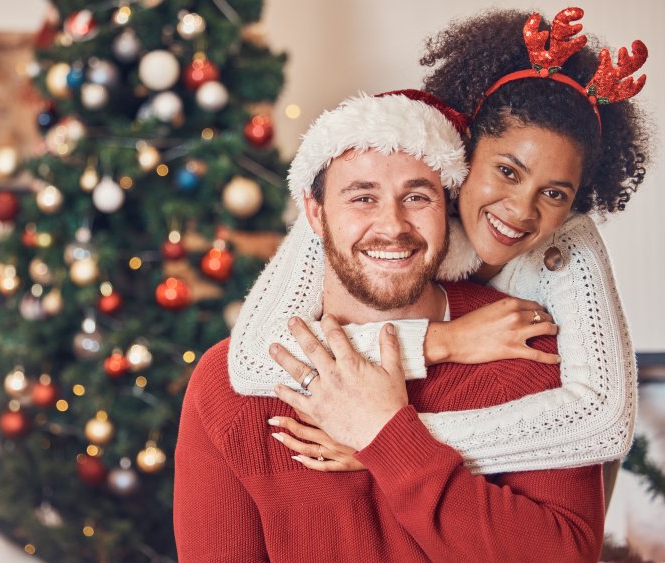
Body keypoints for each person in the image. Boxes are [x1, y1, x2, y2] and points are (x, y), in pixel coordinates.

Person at [174, 90, 604, 562]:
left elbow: (567, 554)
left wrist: (390, 440)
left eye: (417, 197)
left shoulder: (522, 346)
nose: (392, 226)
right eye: (363, 197)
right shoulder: (228, 388)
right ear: (315, 213)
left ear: (447, 209)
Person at [228, 7, 649, 478]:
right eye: (507, 171)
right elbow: (253, 357)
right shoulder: (381, 210)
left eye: (554, 194)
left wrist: (387, 439)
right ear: (465, 152)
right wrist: (444, 340)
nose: (521, 210)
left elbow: (605, 421)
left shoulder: (568, 245)